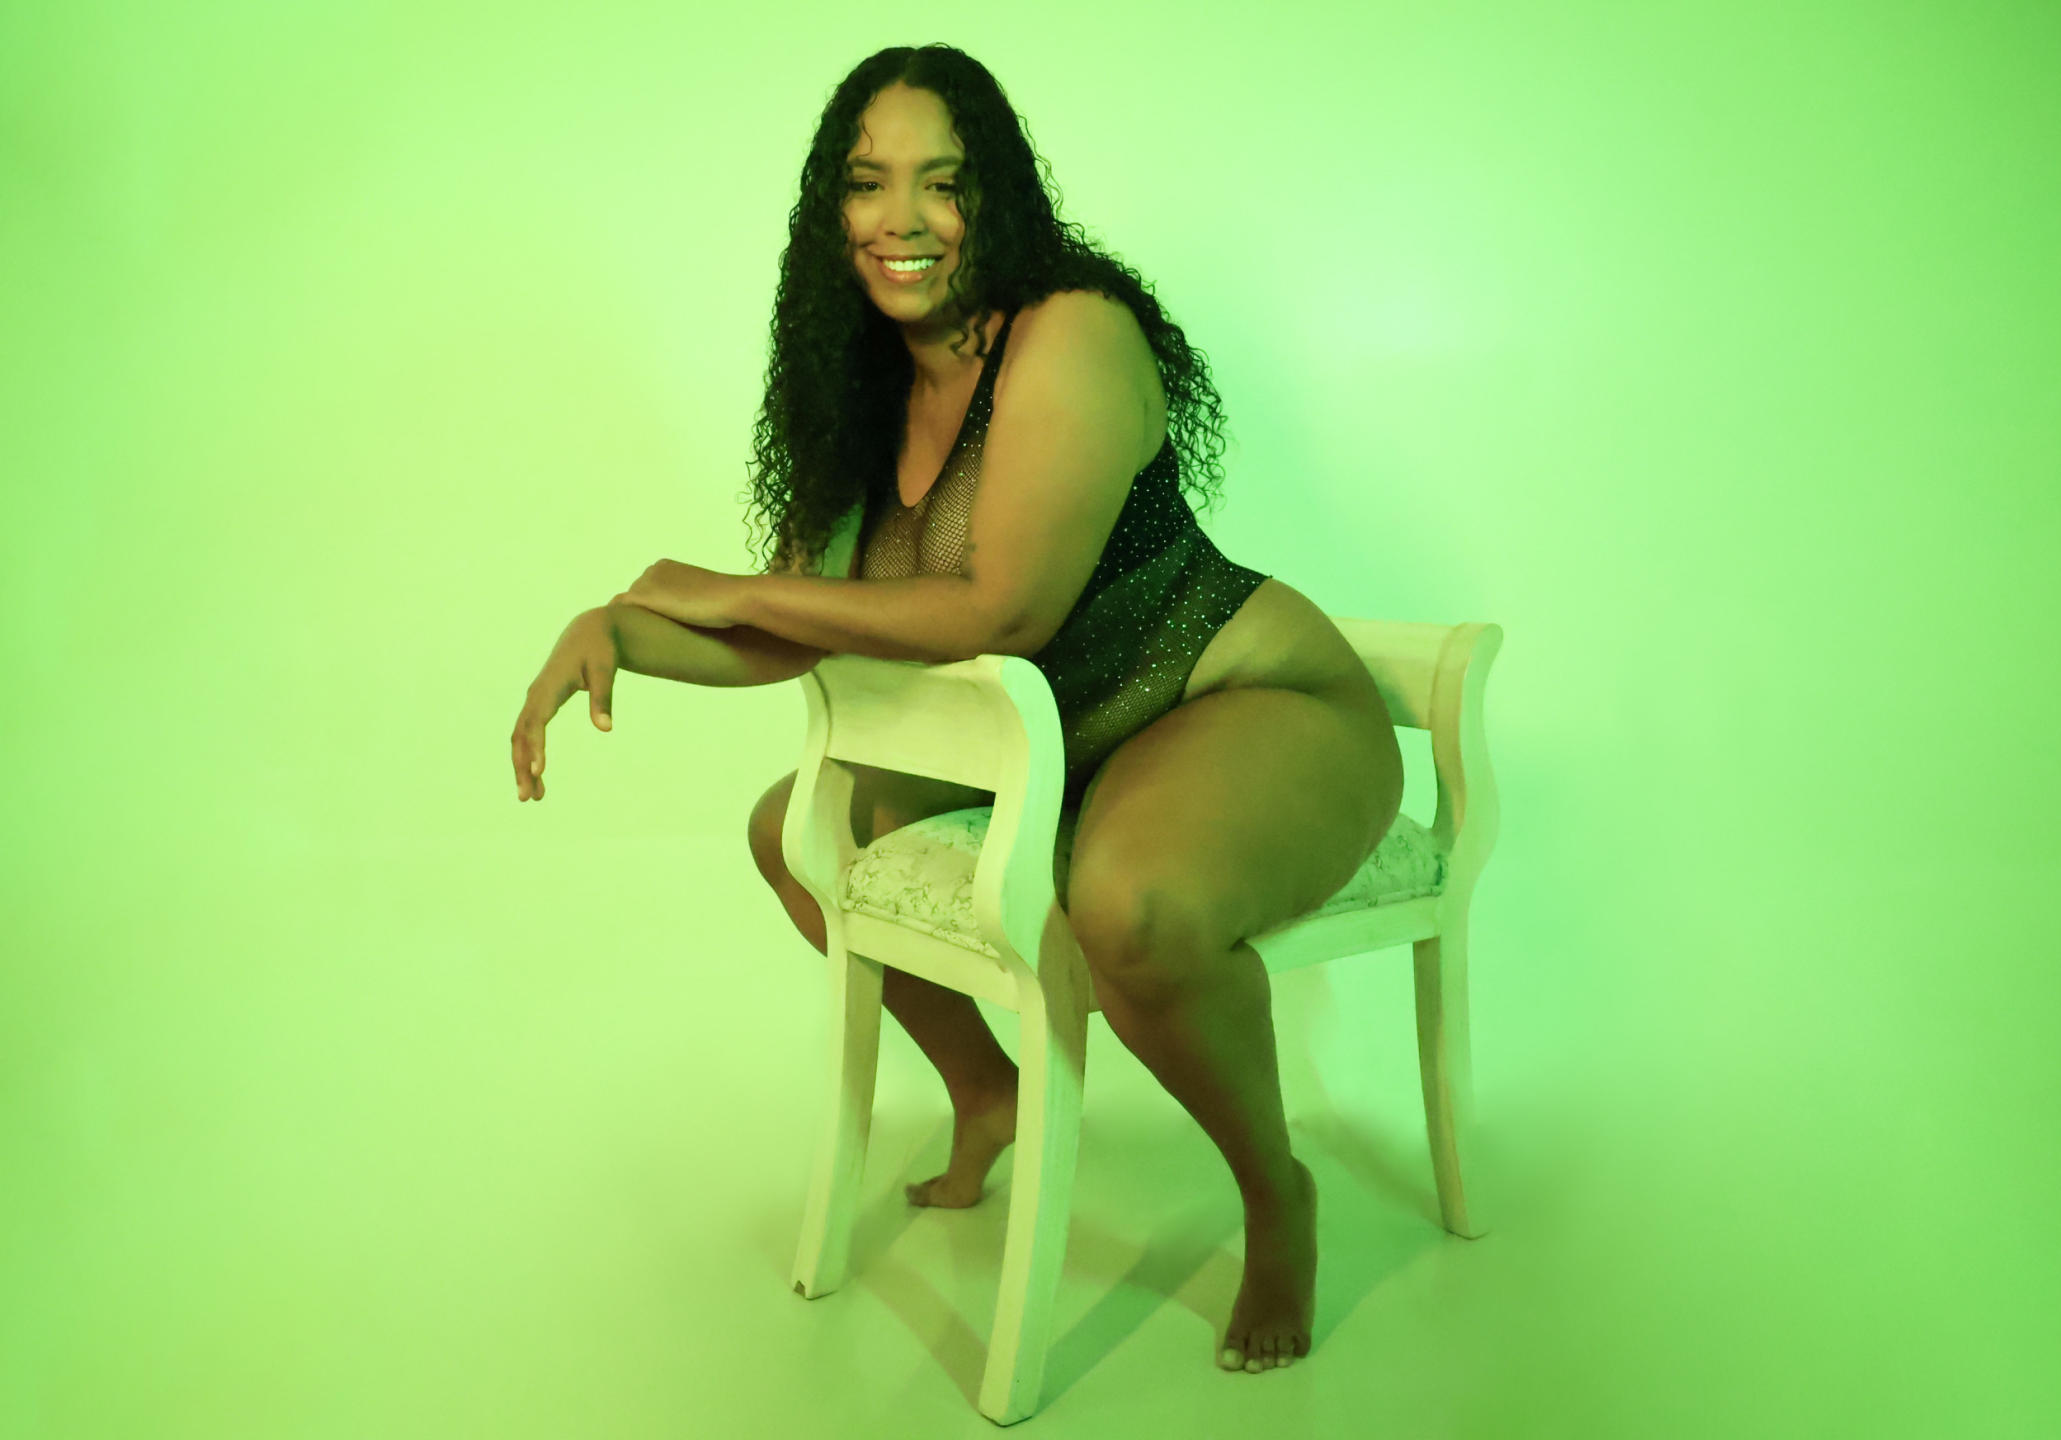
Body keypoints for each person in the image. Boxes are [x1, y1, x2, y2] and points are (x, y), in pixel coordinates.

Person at [511, 45, 1404, 1376]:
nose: (903, 218)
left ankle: (1279, 1194)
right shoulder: (864, 391)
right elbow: (794, 629)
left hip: (1247, 698)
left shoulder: (1070, 333)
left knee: (1130, 908)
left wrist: (723, 584)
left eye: (943, 182)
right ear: (832, 212)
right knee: (797, 834)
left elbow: (1004, 611)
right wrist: (615, 631)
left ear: (997, 199)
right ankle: (987, 1089)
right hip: (1074, 743)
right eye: (867, 184)